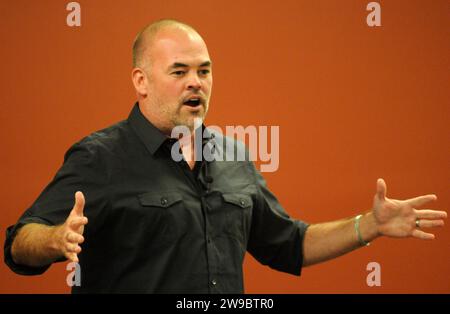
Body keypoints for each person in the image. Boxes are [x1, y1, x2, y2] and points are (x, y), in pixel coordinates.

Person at [4, 19, 446, 293]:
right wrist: (56, 239)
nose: (196, 82)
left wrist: (370, 226)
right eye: (179, 71)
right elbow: (18, 244)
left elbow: (288, 245)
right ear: (141, 81)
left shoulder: (234, 155)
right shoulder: (100, 156)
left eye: (204, 70)